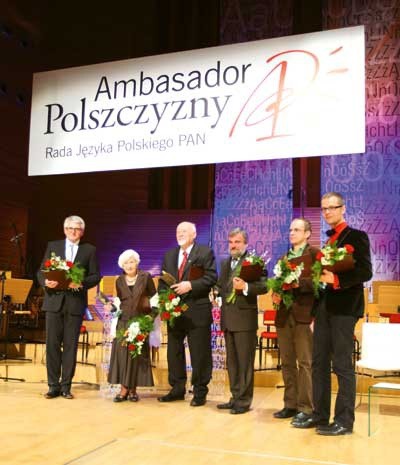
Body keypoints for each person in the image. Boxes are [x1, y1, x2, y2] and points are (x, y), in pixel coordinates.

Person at [293, 192, 372, 435]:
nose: (327, 212)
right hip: (325, 308)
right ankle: (319, 415)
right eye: (324, 208)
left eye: (332, 207)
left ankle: (344, 421)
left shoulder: (356, 236)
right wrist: (316, 312)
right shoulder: (327, 242)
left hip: (345, 309)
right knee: (318, 363)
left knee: (341, 365)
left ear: (343, 209)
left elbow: (365, 272)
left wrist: (336, 279)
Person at [37, 215, 101, 399]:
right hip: (53, 302)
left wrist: (80, 283)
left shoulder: (89, 250)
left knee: (71, 346)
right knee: (52, 345)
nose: (74, 231)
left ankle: (66, 386)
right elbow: (41, 271)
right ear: (65, 230)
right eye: (70, 228)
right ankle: (53, 386)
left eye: (78, 229)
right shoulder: (53, 246)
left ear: (82, 231)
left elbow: (96, 275)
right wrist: (46, 281)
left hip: (74, 303)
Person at [157, 221, 217, 406]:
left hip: (197, 310)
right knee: (174, 352)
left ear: (194, 234)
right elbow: (163, 282)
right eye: (177, 231)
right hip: (174, 312)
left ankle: (200, 391)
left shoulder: (204, 252)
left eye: (184, 231)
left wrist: (190, 285)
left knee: (200, 353)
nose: (180, 234)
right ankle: (177, 388)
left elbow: (211, 277)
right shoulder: (169, 255)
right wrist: (165, 301)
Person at [216, 228, 267, 414]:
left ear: (245, 243)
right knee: (232, 362)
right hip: (228, 319)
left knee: (245, 362)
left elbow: (263, 286)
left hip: (245, 319)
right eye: (230, 242)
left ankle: (244, 402)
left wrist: (245, 286)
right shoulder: (225, 263)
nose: (233, 245)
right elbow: (221, 285)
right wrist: (217, 294)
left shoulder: (254, 262)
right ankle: (235, 396)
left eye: (237, 242)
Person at [272, 219, 318, 423]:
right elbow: (278, 284)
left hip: (305, 316)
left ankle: (306, 407)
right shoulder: (283, 258)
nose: (292, 233)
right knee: (287, 362)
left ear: (308, 233)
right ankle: (290, 404)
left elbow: (320, 284)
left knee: (305, 363)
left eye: (296, 230)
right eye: (290, 229)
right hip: (284, 315)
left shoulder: (315, 255)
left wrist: (299, 283)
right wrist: (276, 293)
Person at [106, 249, 156, 402]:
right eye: (126, 263)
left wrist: (150, 318)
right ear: (122, 265)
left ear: (137, 263)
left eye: (132, 261)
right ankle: (123, 389)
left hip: (140, 322)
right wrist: (111, 308)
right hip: (123, 321)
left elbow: (155, 299)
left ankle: (133, 390)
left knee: (137, 356)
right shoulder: (119, 280)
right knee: (122, 355)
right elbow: (119, 303)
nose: (129, 265)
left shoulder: (146, 277)